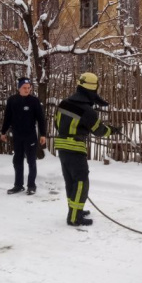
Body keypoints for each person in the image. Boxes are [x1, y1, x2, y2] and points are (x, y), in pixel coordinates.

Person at [54, 72, 121, 226]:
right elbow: (99, 131)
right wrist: (112, 130)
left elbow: (57, 124)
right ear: (93, 89)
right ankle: (74, 218)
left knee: (70, 181)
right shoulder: (87, 111)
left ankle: (75, 210)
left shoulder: (64, 103)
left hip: (62, 147)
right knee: (81, 182)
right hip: (76, 147)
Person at [0, 77, 47, 195]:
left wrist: (43, 134)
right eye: (24, 88)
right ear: (19, 88)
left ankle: (31, 185)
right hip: (17, 136)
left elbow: (40, 119)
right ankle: (18, 185)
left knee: (31, 161)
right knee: (17, 161)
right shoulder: (12, 100)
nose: (27, 90)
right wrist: (3, 131)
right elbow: (7, 117)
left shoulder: (34, 101)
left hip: (30, 136)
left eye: (29, 88)